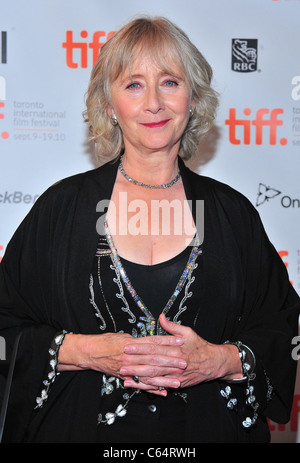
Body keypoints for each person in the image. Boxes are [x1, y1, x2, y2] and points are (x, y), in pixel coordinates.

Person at [0, 16, 299, 444]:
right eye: (133, 85)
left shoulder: (233, 214)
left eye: (171, 82)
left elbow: (282, 328)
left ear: (193, 100)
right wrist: (91, 352)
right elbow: (5, 327)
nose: (154, 103)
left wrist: (218, 360)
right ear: (109, 105)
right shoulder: (60, 209)